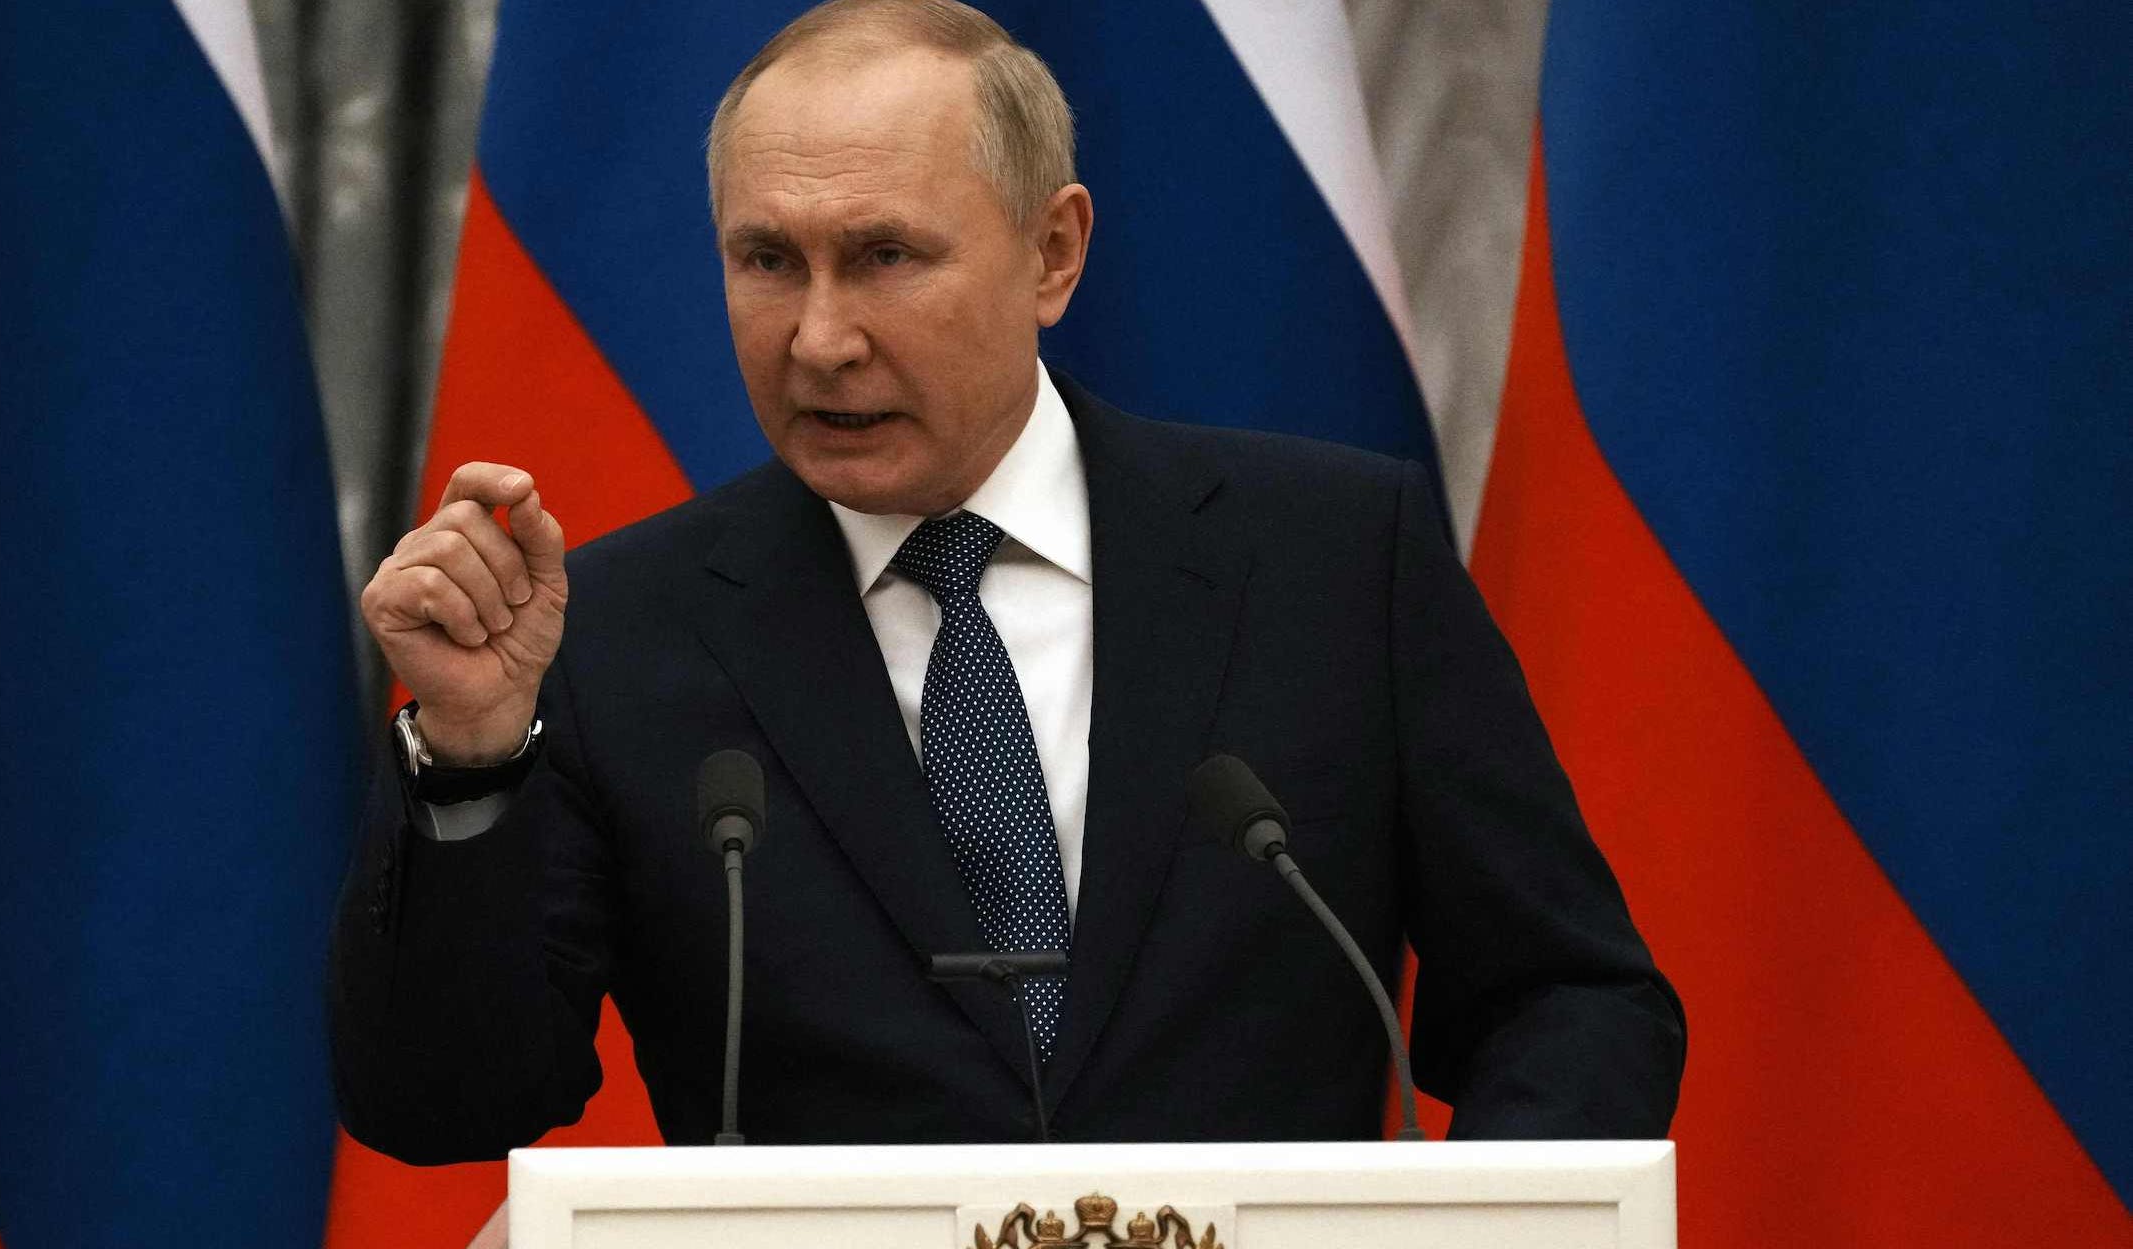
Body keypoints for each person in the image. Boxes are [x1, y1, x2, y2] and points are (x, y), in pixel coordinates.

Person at [331, 0, 1682, 1162]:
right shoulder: (621, 631)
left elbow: (1573, 997)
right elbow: (444, 1101)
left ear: (1053, 252)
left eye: (882, 256)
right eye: (766, 261)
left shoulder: (1332, 561)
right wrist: (469, 757)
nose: (819, 337)